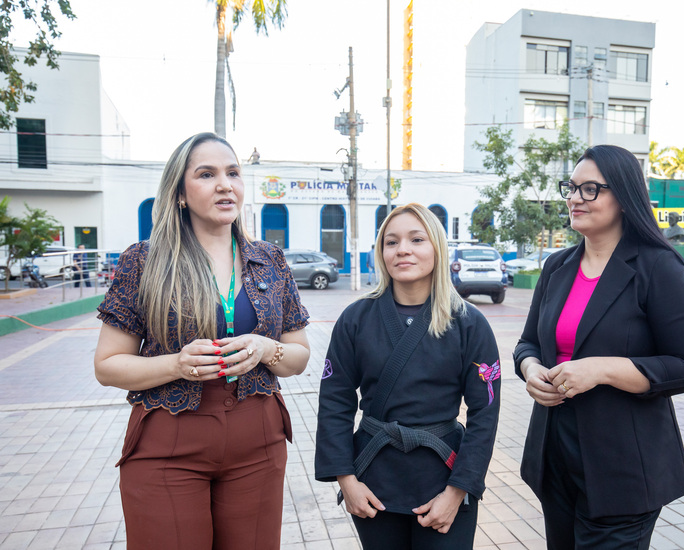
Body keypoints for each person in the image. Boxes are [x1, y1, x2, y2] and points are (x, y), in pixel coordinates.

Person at [94, 132, 310, 549]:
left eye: (233, 173)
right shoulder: (145, 261)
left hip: (258, 443)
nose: (225, 185)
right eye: (207, 174)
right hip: (168, 444)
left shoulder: (270, 260)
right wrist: (176, 364)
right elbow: (107, 365)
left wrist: (267, 349)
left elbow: (299, 357)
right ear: (180, 193)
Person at [514, 145, 684, 549]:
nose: (574, 198)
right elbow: (528, 343)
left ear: (623, 197)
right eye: (571, 188)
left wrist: (602, 370)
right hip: (554, 456)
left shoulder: (658, 267)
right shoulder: (557, 266)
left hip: (623, 467)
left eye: (590, 189)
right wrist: (531, 370)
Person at [315, 203, 501, 550]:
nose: (402, 249)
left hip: (444, 477)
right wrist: (347, 481)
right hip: (374, 480)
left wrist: (458, 490)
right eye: (391, 242)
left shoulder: (468, 322)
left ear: (437, 248)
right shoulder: (355, 319)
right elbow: (334, 402)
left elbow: (484, 414)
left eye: (417, 239)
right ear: (381, 252)